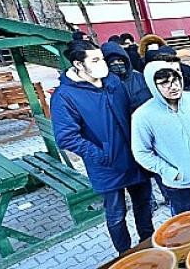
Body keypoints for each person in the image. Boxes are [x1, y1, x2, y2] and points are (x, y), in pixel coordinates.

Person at [50, 40, 153, 253]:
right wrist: (103, 155)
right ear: (79, 64)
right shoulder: (65, 96)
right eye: (95, 60)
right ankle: (124, 255)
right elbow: (66, 137)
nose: (102, 64)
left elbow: (129, 112)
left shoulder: (112, 82)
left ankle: (149, 244)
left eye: (101, 58)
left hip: (134, 158)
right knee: (116, 214)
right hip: (106, 166)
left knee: (144, 205)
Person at [131, 61, 190, 215]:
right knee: (189, 226)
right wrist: (170, 172)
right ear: (153, 85)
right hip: (179, 185)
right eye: (165, 83)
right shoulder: (143, 115)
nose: (174, 86)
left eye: (175, 79)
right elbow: (141, 152)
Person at [101, 42, 152, 112]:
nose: (117, 64)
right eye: (112, 62)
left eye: (120, 60)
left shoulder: (139, 77)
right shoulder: (103, 83)